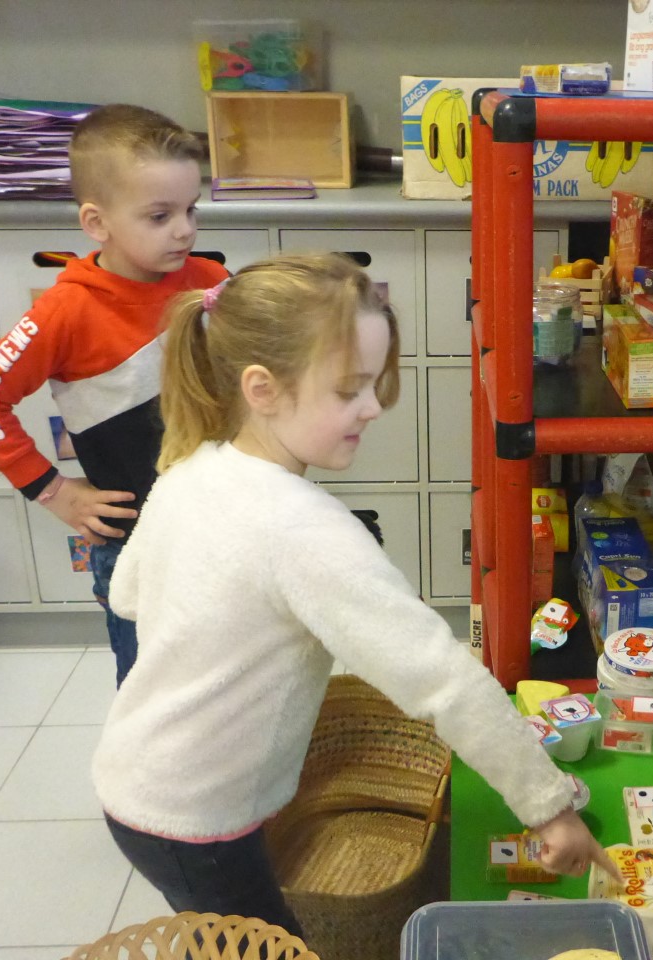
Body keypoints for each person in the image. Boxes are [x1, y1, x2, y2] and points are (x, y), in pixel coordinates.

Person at [91, 254, 620, 935]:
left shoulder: (191, 468)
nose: (373, 407)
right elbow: (444, 679)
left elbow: (129, 594)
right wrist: (549, 807)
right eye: (349, 390)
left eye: (373, 384)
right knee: (265, 946)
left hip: (139, 773)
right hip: (193, 815)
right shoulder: (302, 529)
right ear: (262, 389)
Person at [0, 104, 229, 685]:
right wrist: (51, 490)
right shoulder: (66, 311)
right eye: (160, 215)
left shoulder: (211, 283)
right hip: (136, 546)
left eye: (191, 209)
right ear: (97, 223)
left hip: (220, 529)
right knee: (151, 696)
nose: (184, 229)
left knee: (226, 683)